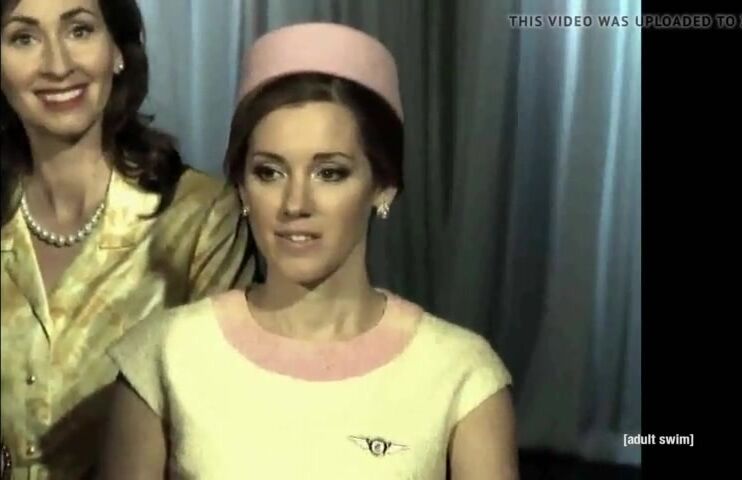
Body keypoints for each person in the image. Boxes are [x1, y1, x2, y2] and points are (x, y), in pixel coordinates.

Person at [100, 22, 519, 479]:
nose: (295, 204)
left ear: (383, 186)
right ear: (241, 187)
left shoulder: (460, 374)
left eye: (329, 173)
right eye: (269, 173)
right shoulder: (166, 355)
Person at [0, 0, 254, 478]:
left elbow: (219, 435)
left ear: (117, 50)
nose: (57, 64)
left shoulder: (199, 218)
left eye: (79, 30)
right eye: (23, 38)